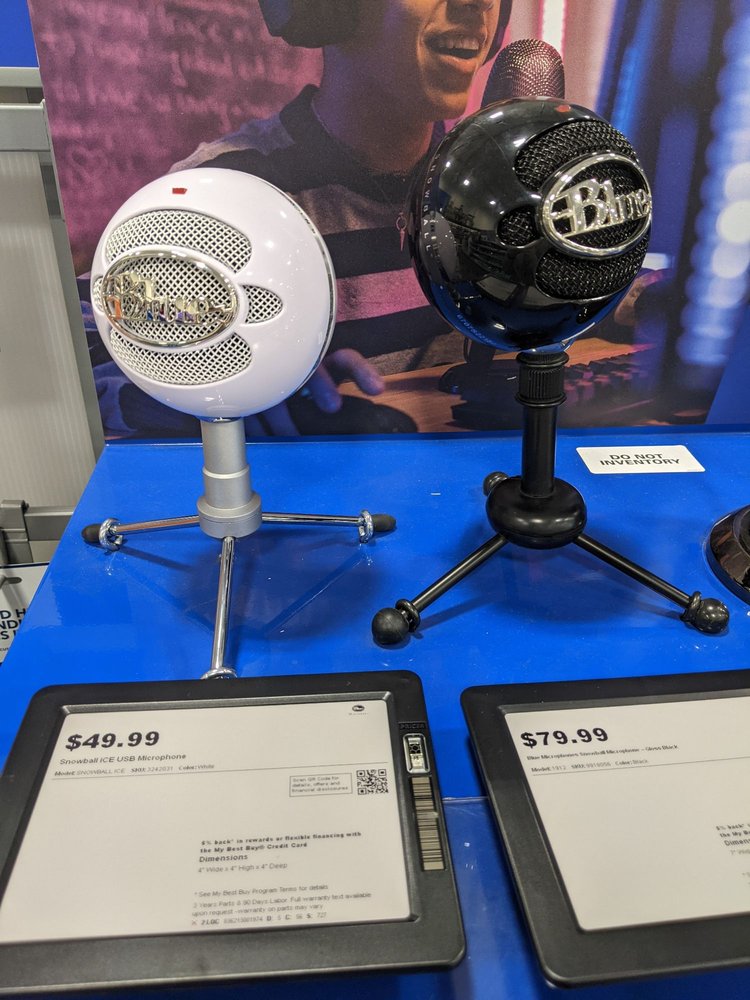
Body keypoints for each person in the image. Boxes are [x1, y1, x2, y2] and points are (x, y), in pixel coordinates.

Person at [163, 0, 510, 435]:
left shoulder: (497, 186)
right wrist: (231, 387)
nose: (479, 3)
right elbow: (101, 361)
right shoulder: (217, 196)